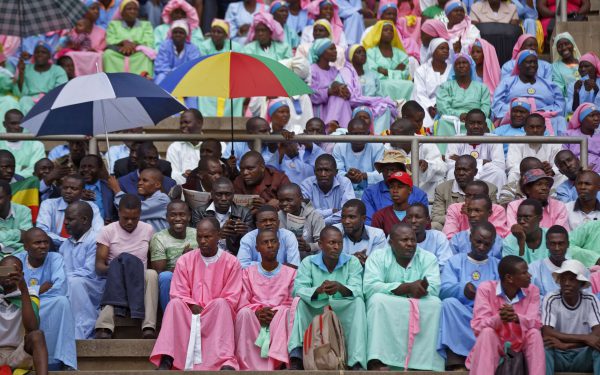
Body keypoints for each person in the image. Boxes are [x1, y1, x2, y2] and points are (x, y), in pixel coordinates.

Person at [150, 218, 242, 370]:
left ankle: (224, 360)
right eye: (199, 237)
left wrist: (208, 309)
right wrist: (192, 305)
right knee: (174, 304)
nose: (203, 241)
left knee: (221, 303)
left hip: (216, 315)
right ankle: (168, 357)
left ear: (218, 236)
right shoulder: (185, 260)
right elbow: (178, 292)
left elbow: (232, 296)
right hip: (190, 311)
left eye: (207, 237)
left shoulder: (232, 262)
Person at [364, 223, 445, 371]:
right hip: (390, 301)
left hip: (418, 301)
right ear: (391, 242)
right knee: (376, 301)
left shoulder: (428, 258)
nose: (410, 244)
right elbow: (370, 287)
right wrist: (405, 287)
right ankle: (379, 360)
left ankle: (426, 363)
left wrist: (422, 289)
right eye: (404, 240)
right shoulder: (378, 256)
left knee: (435, 304)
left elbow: (434, 288)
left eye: (413, 240)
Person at [287, 226, 367, 370]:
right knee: (299, 302)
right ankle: (297, 356)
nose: (336, 247)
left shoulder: (352, 262)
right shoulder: (308, 262)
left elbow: (358, 290)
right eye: (331, 243)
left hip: (342, 307)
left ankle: (356, 362)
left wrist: (340, 288)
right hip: (316, 307)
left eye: (339, 243)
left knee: (359, 303)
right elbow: (298, 290)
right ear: (320, 244)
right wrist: (318, 290)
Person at [466, 255, 544, 374]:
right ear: (509, 278)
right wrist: (499, 318)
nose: (529, 276)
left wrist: (517, 318)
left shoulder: (533, 290)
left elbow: (536, 322)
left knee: (535, 333)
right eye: (524, 273)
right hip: (494, 343)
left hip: (520, 343)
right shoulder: (485, 288)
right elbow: (478, 326)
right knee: (487, 332)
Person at [94, 194, 158, 339]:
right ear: (119, 213)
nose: (130, 222)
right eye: (125, 218)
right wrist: (117, 269)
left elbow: (151, 259)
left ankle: (148, 326)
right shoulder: (108, 230)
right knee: (117, 272)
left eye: (134, 218)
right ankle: (105, 326)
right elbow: (99, 266)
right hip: (116, 277)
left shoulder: (148, 229)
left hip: (139, 279)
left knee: (152, 274)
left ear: (140, 214)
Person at [438, 222, 500, 370]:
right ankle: (456, 359)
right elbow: (443, 290)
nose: (481, 247)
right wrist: (462, 289)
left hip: (486, 315)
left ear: (493, 244)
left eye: (487, 244)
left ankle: (484, 356)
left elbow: (503, 294)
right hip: (462, 312)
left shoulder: (498, 265)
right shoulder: (455, 261)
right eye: (478, 241)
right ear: (470, 238)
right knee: (448, 304)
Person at [235, 228, 296, 370]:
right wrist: (258, 312)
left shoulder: (291, 273)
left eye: (273, 241)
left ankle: (279, 361)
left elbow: (293, 302)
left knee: (285, 312)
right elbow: (243, 302)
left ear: (279, 244)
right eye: (265, 242)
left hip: (280, 318)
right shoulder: (247, 273)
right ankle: (247, 365)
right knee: (244, 313)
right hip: (255, 318)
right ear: (257, 248)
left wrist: (275, 312)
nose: (270, 245)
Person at [16, 228, 76, 370]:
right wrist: (39, 289)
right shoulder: (16, 259)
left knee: (62, 302)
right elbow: (10, 290)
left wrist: (27, 292)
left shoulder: (55, 258)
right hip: (21, 304)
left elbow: (60, 288)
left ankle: (59, 359)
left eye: (45, 242)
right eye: (37, 243)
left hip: (46, 303)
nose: (43, 246)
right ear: (26, 247)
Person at [542, 259, 600, 374]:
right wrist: (585, 338)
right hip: (558, 354)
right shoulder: (552, 298)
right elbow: (547, 332)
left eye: (572, 279)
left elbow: (597, 333)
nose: (566, 283)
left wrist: (568, 345)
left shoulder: (590, 299)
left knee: (598, 346)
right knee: (545, 347)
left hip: (582, 354)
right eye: (563, 279)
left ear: (581, 283)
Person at [59, 201, 104, 340]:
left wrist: (63, 279)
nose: (65, 222)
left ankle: (84, 331)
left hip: (95, 286)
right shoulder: (65, 245)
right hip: (72, 285)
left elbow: (90, 272)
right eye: (65, 218)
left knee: (74, 282)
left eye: (70, 219)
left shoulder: (97, 239)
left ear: (84, 220)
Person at [0, 256, 48, 375]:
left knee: (38, 335)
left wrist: (23, 290)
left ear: (21, 274)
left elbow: (32, 328)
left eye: (14, 271)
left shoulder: (29, 295)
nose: (9, 275)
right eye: (5, 271)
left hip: (20, 354)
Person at [434, 54, 490, 153]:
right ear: (453, 68)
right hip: (453, 120)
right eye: (457, 63)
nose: (461, 65)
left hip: (476, 119)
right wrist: (459, 115)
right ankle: (443, 155)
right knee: (443, 123)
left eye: (464, 62)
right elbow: (442, 107)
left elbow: (485, 108)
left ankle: (484, 153)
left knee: (488, 122)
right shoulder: (445, 86)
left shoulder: (482, 87)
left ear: (470, 66)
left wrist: (472, 117)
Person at [493, 51, 565, 127]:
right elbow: (497, 104)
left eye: (535, 62)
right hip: (515, 119)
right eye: (529, 62)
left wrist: (541, 112)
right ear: (519, 65)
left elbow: (560, 105)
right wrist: (520, 110)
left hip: (544, 119)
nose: (533, 65)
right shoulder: (507, 83)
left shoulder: (549, 84)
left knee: (560, 120)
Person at [150, 200, 197, 312]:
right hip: (173, 279)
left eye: (182, 214)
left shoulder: (197, 234)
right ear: (167, 217)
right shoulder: (159, 238)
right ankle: (169, 317)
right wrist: (183, 260)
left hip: (196, 276)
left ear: (189, 217)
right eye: (173, 215)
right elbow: (160, 273)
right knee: (165, 276)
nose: (178, 219)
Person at [384, 117, 447, 200]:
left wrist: (427, 165)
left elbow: (442, 169)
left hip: (426, 190)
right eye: (390, 134)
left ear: (410, 135)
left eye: (395, 135)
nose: (390, 138)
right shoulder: (388, 146)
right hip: (398, 192)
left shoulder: (426, 143)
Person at [431, 155, 498, 230]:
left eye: (465, 170)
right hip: (451, 226)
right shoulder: (442, 189)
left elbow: (494, 215)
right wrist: (458, 216)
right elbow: (436, 217)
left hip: (480, 228)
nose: (461, 173)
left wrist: (471, 215)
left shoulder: (489, 188)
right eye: (457, 169)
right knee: (434, 225)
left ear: (475, 172)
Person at [445, 109, 506, 189]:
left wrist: (461, 159)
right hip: (463, 174)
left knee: (499, 173)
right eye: (472, 123)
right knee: (451, 173)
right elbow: (450, 163)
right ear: (466, 124)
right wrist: (483, 162)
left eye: (479, 123)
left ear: (485, 125)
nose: (476, 126)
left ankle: (496, 201)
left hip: (486, 174)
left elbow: (500, 165)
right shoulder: (456, 139)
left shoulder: (494, 139)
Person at [37, 175, 103, 249]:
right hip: (53, 250)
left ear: (83, 191)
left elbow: (98, 232)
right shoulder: (48, 204)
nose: (68, 191)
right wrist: (69, 243)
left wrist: (79, 243)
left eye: (73, 189)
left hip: (82, 249)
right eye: (65, 188)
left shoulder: (91, 206)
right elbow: (42, 232)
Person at [197, 19, 243, 117]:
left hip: (229, 78)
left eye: (219, 32)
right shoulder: (204, 46)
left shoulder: (235, 47)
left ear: (226, 35)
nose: (215, 34)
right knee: (203, 93)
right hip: (209, 79)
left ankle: (233, 118)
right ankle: (207, 118)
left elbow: (238, 67)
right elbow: (203, 66)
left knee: (238, 93)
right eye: (213, 31)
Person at [333, 118, 384, 195]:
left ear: (368, 134)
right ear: (348, 135)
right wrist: (348, 175)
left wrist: (363, 176)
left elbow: (382, 173)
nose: (358, 138)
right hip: (345, 192)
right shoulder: (339, 147)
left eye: (362, 134)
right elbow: (336, 172)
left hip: (373, 192)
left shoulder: (377, 146)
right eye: (355, 134)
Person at [103, 0, 155, 77]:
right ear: (122, 12)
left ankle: (142, 80)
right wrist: (123, 42)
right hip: (119, 53)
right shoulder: (113, 24)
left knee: (145, 56)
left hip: (137, 54)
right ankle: (113, 80)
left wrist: (134, 45)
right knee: (108, 54)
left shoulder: (146, 25)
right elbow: (109, 40)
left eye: (135, 9)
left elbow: (149, 42)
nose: (132, 11)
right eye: (129, 9)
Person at [363, 21, 413, 101]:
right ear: (379, 33)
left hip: (400, 82)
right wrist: (395, 71)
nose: (389, 32)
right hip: (380, 82)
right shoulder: (371, 52)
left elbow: (405, 73)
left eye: (391, 30)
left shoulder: (401, 54)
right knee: (386, 85)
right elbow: (372, 72)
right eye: (385, 30)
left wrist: (386, 72)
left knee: (410, 84)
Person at [300, 154, 355, 225]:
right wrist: (331, 211)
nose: (323, 174)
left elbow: (348, 212)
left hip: (339, 228)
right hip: (312, 229)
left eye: (327, 170)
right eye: (319, 170)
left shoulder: (344, 182)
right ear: (314, 172)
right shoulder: (306, 185)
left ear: (336, 172)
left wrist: (321, 222)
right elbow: (304, 212)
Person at [506, 114, 562, 183]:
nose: (535, 130)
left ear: (544, 129)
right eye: (531, 127)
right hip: (525, 178)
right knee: (513, 175)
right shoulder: (517, 140)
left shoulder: (553, 141)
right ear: (525, 128)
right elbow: (512, 166)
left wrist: (552, 171)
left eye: (538, 127)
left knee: (562, 176)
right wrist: (537, 170)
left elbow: (559, 166)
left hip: (547, 177)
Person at [15, 43, 68, 115]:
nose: (40, 54)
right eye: (37, 52)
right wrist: (21, 72)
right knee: (23, 100)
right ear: (34, 55)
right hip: (30, 100)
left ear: (49, 55)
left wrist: (44, 99)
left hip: (50, 100)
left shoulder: (58, 70)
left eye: (43, 52)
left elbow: (61, 91)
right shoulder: (26, 68)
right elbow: (22, 93)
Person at [309, 39, 352, 128]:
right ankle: (329, 126)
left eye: (335, 49)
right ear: (322, 52)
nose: (335, 51)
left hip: (338, 108)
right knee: (336, 97)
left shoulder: (334, 70)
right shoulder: (312, 70)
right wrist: (329, 92)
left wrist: (344, 91)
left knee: (340, 97)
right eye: (331, 49)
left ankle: (339, 127)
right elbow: (310, 94)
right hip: (320, 110)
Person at [444, 181, 508, 239]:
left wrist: (470, 215)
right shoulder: (454, 208)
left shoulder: (497, 210)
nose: (471, 199)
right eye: (468, 196)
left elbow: (498, 237)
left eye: (476, 196)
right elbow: (450, 237)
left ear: (486, 197)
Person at [153, 21, 201, 99]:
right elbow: (160, 67)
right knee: (160, 78)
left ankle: (190, 110)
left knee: (193, 88)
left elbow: (193, 68)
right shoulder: (165, 45)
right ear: (171, 34)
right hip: (167, 76)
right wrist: (174, 75)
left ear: (186, 35)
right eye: (175, 32)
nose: (178, 34)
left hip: (186, 78)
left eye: (181, 32)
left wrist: (179, 76)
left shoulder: (193, 48)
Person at [277, 184, 325, 259]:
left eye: (289, 200)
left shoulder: (315, 216)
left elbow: (323, 243)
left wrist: (309, 246)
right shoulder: (277, 217)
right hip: (285, 262)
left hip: (310, 260)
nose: (284, 204)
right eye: (281, 201)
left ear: (301, 199)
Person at [412, 38, 451, 129]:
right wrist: (430, 107)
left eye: (447, 49)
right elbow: (419, 93)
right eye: (442, 48)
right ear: (433, 51)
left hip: (447, 104)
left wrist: (441, 105)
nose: (445, 51)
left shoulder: (452, 69)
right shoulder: (421, 70)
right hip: (425, 104)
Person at [334, 199, 386, 265]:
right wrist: (352, 259)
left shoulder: (377, 235)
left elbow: (378, 263)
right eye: (343, 217)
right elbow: (328, 259)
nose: (346, 221)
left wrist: (367, 261)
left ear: (363, 218)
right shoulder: (334, 232)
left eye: (351, 217)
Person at [405, 203, 453, 269]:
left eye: (418, 217)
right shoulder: (396, 237)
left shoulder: (438, 237)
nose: (413, 221)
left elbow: (445, 264)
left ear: (427, 220)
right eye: (409, 217)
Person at [0, 110, 45, 178]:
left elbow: (37, 170)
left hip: (26, 186)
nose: (17, 127)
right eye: (13, 123)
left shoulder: (36, 145)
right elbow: (31, 170)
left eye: (20, 123)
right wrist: (20, 167)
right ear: (4, 124)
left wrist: (11, 175)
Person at [529, 225, 570, 298]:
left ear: (568, 244)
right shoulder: (533, 269)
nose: (557, 248)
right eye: (552, 244)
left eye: (561, 244)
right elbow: (530, 299)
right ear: (547, 245)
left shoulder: (577, 269)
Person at [504, 198, 550, 263]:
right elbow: (513, 270)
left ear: (540, 218)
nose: (521, 221)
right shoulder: (508, 241)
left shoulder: (551, 236)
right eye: (519, 217)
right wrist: (521, 243)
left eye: (527, 217)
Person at [372, 172, 413, 236]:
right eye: (391, 187)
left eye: (400, 187)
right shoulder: (379, 216)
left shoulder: (418, 215)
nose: (395, 190)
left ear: (410, 190)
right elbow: (376, 242)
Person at [79, 154, 116, 223]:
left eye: (90, 167)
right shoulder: (74, 187)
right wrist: (79, 198)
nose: (86, 169)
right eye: (83, 167)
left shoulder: (109, 187)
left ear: (100, 169)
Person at [564, 103, 600, 174]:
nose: (596, 119)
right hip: (574, 169)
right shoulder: (569, 134)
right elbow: (564, 155)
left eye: (598, 115)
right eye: (592, 116)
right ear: (582, 119)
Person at [0, 181, 32, 257]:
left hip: (20, 254)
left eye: (0, 198)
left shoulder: (24, 211)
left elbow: (27, 237)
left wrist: (1, 245)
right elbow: (22, 235)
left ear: (10, 198)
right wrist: (18, 234)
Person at [551, 32, 581, 97]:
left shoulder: (583, 62)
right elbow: (558, 90)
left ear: (573, 44)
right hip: (568, 103)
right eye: (560, 46)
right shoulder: (555, 67)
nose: (564, 48)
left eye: (567, 44)